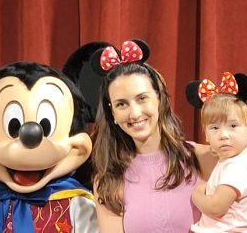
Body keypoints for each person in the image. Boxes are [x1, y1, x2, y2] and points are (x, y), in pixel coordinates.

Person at [91, 40, 218, 233]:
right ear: (112, 113)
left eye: (142, 98)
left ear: (159, 98)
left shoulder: (201, 158)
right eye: (122, 104)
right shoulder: (107, 181)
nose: (134, 114)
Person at [188, 71, 247, 232]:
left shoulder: (237, 166)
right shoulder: (246, 159)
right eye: (214, 128)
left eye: (233, 126)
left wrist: (196, 194)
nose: (223, 135)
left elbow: (216, 208)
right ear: (206, 134)